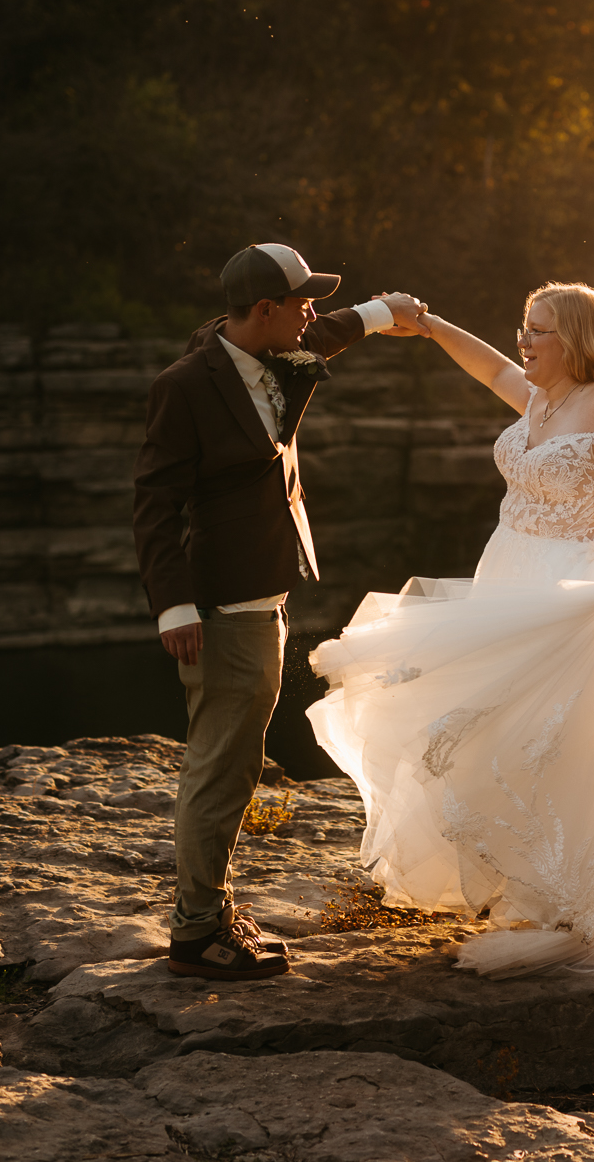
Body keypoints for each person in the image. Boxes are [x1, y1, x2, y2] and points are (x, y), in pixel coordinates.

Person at [306, 282, 594, 979]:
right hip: (506, 582)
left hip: (567, 596)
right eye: (524, 326)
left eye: (540, 330)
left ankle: (574, 903)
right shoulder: (540, 397)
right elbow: (491, 368)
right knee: (482, 736)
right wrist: (429, 326)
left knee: (554, 744)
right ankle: (522, 886)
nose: (525, 340)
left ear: (578, 339)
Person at [133, 242, 426, 981]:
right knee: (222, 769)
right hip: (222, 604)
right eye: (302, 302)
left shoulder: (272, 347)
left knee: (234, 763)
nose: (312, 314)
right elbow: (154, 506)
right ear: (263, 310)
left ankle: (209, 908)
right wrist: (173, 607)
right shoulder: (186, 385)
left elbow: (324, 335)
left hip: (266, 594)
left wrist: (383, 313)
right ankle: (199, 930)